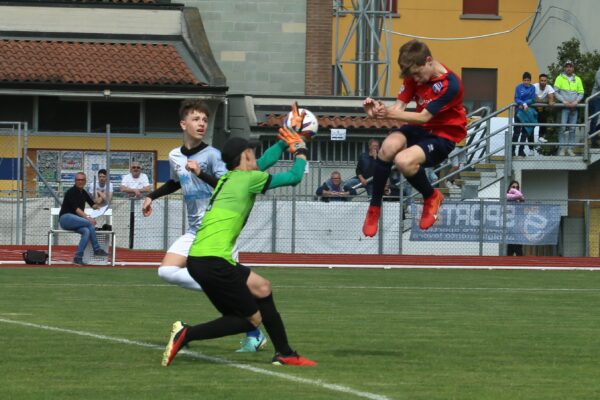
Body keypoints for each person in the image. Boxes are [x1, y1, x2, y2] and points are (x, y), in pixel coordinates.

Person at [162, 110, 316, 368]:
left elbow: (263, 161)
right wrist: (299, 150)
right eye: (252, 152)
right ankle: (187, 333)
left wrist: (283, 140)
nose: (256, 155)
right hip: (213, 260)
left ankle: (285, 352)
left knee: (262, 288)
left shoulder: (230, 178)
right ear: (245, 156)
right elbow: (294, 177)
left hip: (200, 259)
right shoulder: (247, 180)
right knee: (249, 320)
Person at [142, 99, 265, 353]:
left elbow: (228, 186)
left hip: (219, 232)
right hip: (194, 231)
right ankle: (232, 290)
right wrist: (151, 196)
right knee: (165, 271)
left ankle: (255, 334)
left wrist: (201, 173)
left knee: (229, 287)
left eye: (205, 120)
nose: (201, 124)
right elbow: (175, 182)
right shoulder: (175, 156)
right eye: (196, 119)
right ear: (183, 123)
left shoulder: (213, 156)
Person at [361, 39, 467, 236]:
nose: (416, 80)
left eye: (418, 73)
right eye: (412, 76)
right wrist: (377, 110)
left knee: (403, 161)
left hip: (443, 135)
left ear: (428, 60)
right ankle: (374, 207)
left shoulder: (451, 85)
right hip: (420, 129)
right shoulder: (413, 76)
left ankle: (432, 196)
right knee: (387, 147)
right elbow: (398, 109)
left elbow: (423, 116)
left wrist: (388, 114)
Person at [59, 172, 109, 265]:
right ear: (75, 181)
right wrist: (88, 218)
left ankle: (78, 257)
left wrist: (99, 207)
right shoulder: (71, 192)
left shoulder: (84, 192)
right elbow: (77, 209)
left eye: (82, 180)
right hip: (65, 219)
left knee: (87, 231)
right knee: (89, 223)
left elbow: (92, 204)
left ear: (85, 181)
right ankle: (97, 249)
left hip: (76, 221)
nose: (80, 182)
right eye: (78, 180)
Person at [554, 60, 584, 156]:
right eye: (567, 66)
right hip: (564, 107)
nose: (569, 68)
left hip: (574, 107)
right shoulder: (559, 78)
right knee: (562, 128)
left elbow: (581, 92)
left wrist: (576, 101)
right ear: (564, 68)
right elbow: (555, 92)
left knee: (572, 128)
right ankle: (562, 149)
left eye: (570, 66)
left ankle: (570, 149)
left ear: (573, 68)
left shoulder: (578, 79)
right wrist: (564, 101)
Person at [512, 72, 537, 157]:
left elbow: (533, 99)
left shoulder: (533, 88)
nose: (526, 82)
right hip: (519, 112)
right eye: (525, 80)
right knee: (516, 132)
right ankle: (512, 150)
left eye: (528, 80)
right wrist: (522, 103)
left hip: (527, 112)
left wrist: (524, 104)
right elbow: (516, 98)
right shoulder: (518, 87)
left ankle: (521, 151)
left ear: (530, 81)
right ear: (522, 80)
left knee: (525, 132)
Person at [533, 73, 556, 147]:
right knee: (530, 126)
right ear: (539, 81)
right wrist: (539, 101)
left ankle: (541, 136)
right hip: (533, 107)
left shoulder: (548, 87)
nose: (543, 82)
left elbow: (551, 96)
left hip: (541, 108)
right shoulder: (534, 86)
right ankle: (531, 147)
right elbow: (532, 95)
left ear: (547, 81)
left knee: (543, 119)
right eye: (541, 80)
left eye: (544, 81)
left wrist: (550, 101)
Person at [506, 180, 525, 256]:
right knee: (510, 248)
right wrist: (512, 190)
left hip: (518, 227)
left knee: (518, 248)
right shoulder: (507, 195)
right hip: (510, 227)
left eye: (517, 187)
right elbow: (519, 196)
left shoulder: (519, 198)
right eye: (513, 187)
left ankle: (520, 265)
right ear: (510, 188)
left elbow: (522, 197)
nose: (515, 188)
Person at [589, 65, 600, 148]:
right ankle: (593, 140)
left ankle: (593, 132)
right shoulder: (599, 72)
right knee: (594, 118)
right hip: (596, 98)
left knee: (595, 119)